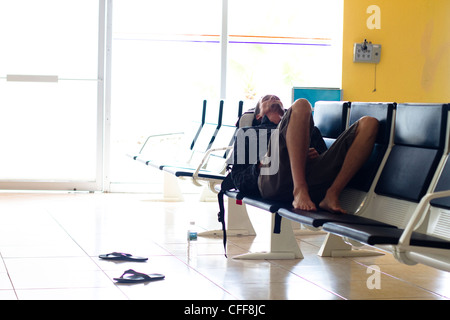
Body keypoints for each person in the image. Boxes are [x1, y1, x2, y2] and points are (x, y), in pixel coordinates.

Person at [240, 94, 379, 214]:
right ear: (258, 116)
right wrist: (259, 166)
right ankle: (299, 189)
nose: (273, 98)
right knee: (302, 104)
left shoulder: (311, 130)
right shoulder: (249, 133)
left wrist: (315, 156)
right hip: (273, 181)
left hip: (311, 181)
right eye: (266, 99)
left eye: (277, 98)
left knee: (369, 123)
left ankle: (332, 194)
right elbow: (236, 178)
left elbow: (327, 162)